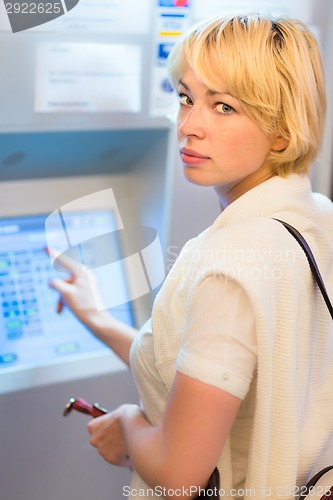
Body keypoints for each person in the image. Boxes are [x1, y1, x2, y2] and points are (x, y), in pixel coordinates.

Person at [49, 13, 333, 500]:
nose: (188, 125)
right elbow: (189, 367)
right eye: (186, 97)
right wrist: (95, 315)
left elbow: (179, 477)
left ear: (282, 132)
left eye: (223, 107)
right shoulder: (317, 218)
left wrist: (128, 430)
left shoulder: (231, 262)